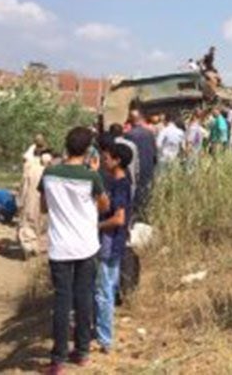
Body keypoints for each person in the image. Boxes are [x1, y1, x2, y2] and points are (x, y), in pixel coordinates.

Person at [39, 127, 110, 373]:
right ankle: (82, 352)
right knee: (84, 298)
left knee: (62, 301)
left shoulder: (49, 173)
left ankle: (58, 358)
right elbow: (104, 206)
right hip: (86, 246)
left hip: (60, 247)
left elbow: (44, 207)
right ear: (89, 150)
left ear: (66, 147)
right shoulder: (91, 177)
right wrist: (95, 173)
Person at [95, 142, 133, 354]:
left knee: (104, 290)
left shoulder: (120, 185)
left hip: (110, 242)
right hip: (113, 241)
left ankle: (104, 338)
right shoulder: (117, 182)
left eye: (106, 158)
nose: (103, 161)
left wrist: (96, 226)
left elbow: (119, 218)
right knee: (107, 286)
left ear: (117, 161)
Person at [18, 151, 52, 257]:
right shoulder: (50, 171)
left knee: (29, 221)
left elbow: (24, 186)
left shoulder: (31, 168)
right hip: (41, 199)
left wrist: (20, 201)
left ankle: (29, 245)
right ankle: (37, 246)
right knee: (41, 223)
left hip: (31, 199)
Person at [125, 110, 157, 215]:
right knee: (146, 192)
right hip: (148, 166)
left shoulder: (129, 135)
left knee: (135, 193)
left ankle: (136, 213)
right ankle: (145, 213)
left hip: (135, 168)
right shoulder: (149, 133)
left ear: (131, 120)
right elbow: (155, 152)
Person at [109, 123, 139, 199]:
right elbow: (137, 165)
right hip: (130, 179)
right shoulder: (132, 145)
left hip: (115, 180)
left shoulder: (110, 145)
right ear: (122, 132)